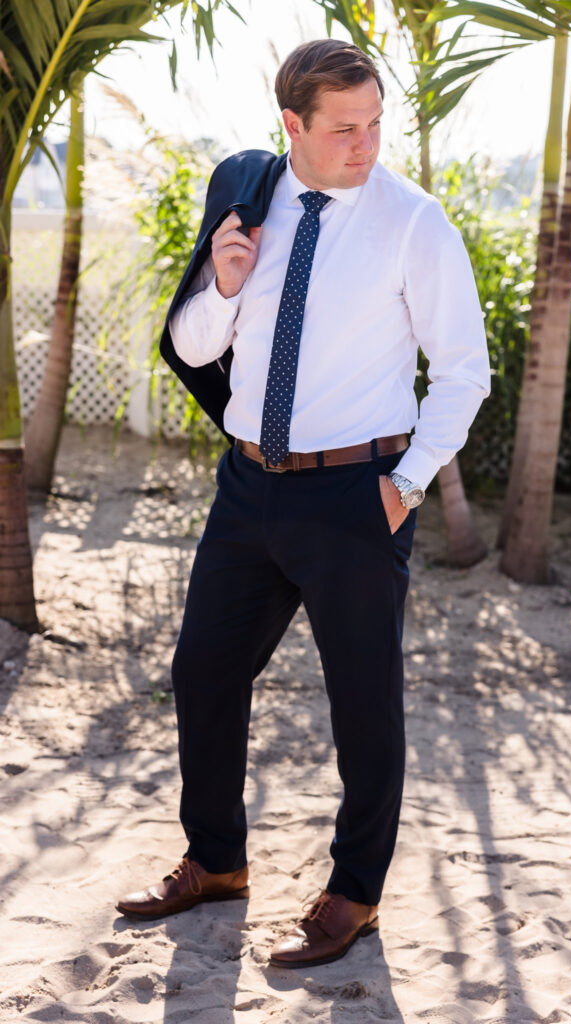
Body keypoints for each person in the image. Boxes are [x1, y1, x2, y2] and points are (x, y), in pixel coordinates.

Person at [117, 38, 490, 968]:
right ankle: (216, 860)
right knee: (203, 670)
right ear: (294, 126)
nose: (364, 144)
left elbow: (463, 373)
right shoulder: (252, 198)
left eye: (373, 124)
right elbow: (199, 348)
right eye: (343, 128)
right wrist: (225, 281)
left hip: (355, 497)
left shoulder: (415, 223)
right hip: (247, 488)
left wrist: (403, 489)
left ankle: (354, 893)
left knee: (362, 703)